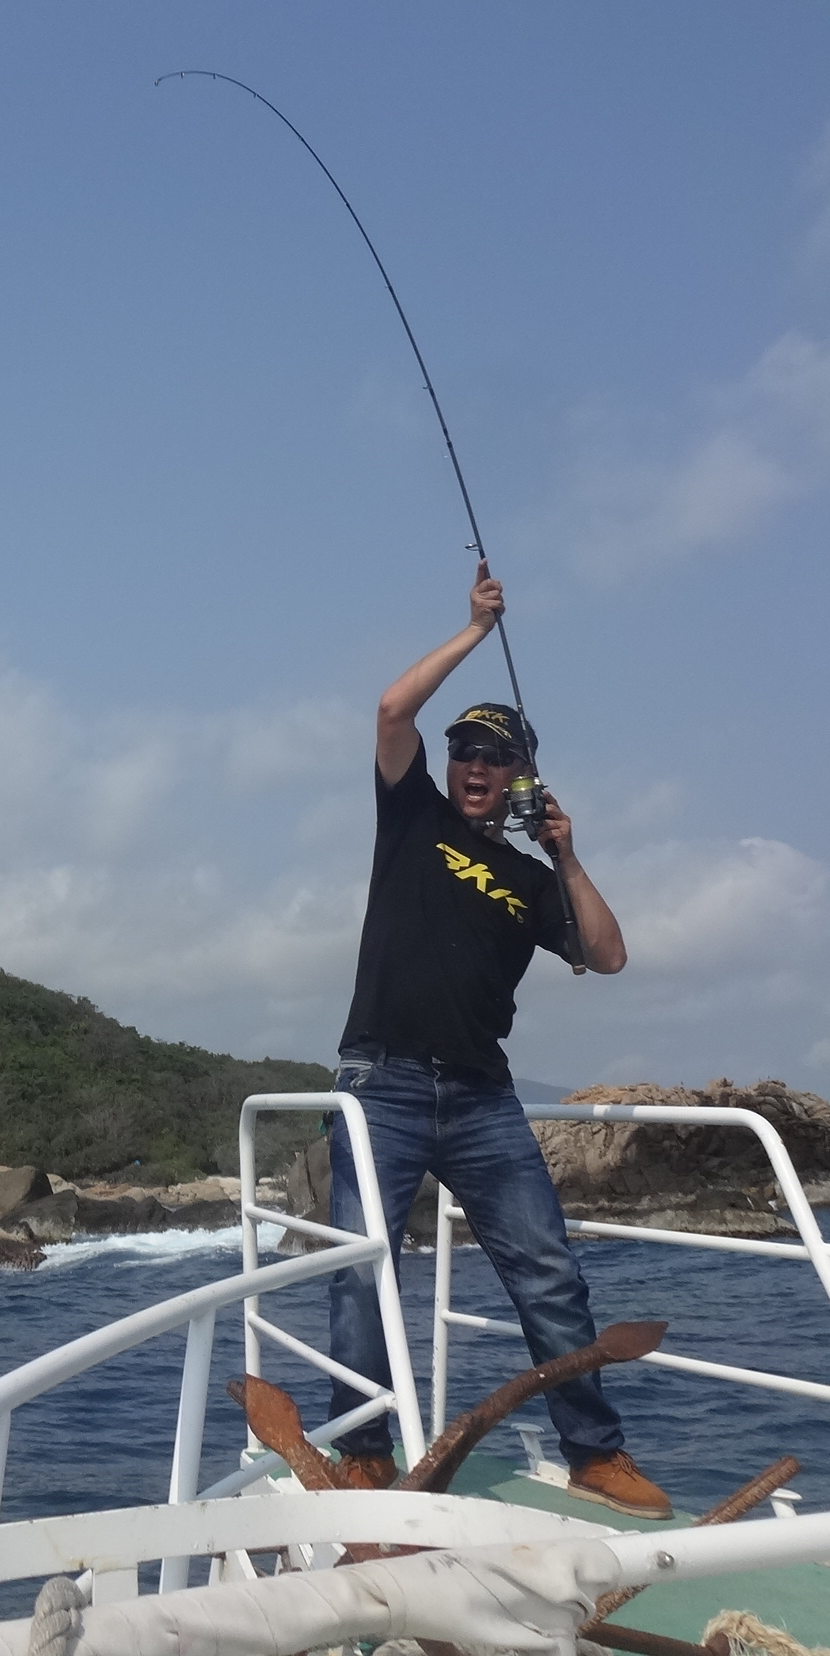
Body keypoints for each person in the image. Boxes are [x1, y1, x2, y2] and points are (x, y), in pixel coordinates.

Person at [320, 559, 671, 1519]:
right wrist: (475, 628)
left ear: (519, 777)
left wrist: (565, 850)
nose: (477, 767)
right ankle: (359, 1451)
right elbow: (394, 709)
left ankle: (596, 1453)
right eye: (467, 751)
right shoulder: (412, 817)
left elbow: (608, 955)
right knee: (361, 1268)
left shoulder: (529, 879)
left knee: (548, 1273)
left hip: (481, 1097)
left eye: (496, 757)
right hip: (380, 1083)